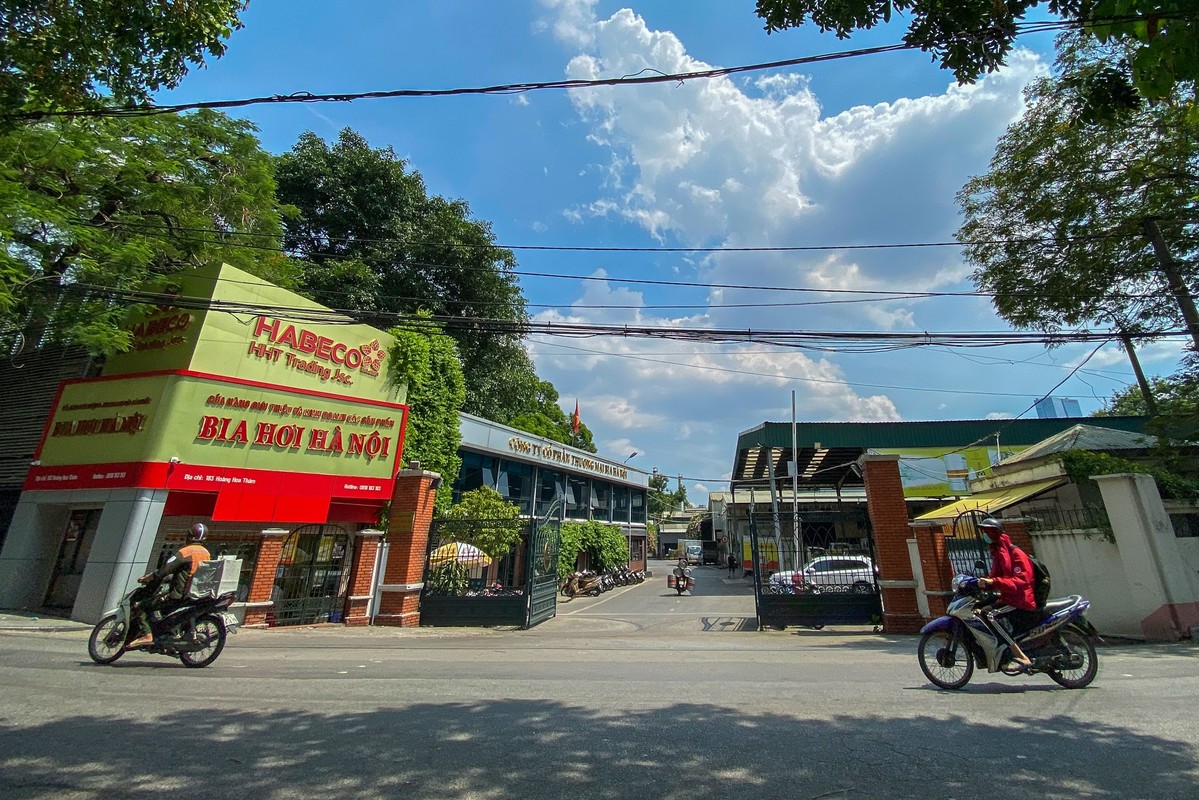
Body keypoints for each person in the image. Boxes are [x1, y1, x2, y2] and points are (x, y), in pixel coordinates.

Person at [127, 523, 212, 649]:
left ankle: (147, 635)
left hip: (179, 595)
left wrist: (148, 578)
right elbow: (190, 572)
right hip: (194, 595)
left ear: (188, 536)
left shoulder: (185, 552)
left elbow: (164, 569)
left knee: (142, 606)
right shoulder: (206, 553)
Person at [975, 517, 1038, 670]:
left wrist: (994, 582)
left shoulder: (1015, 553)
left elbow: (1022, 580)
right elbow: (995, 577)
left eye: (988, 532)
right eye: (984, 532)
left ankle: (1020, 655)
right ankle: (1003, 651)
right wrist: (984, 583)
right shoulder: (998, 553)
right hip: (1007, 599)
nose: (986, 535)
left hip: (1020, 600)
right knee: (980, 611)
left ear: (996, 533)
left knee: (990, 616)